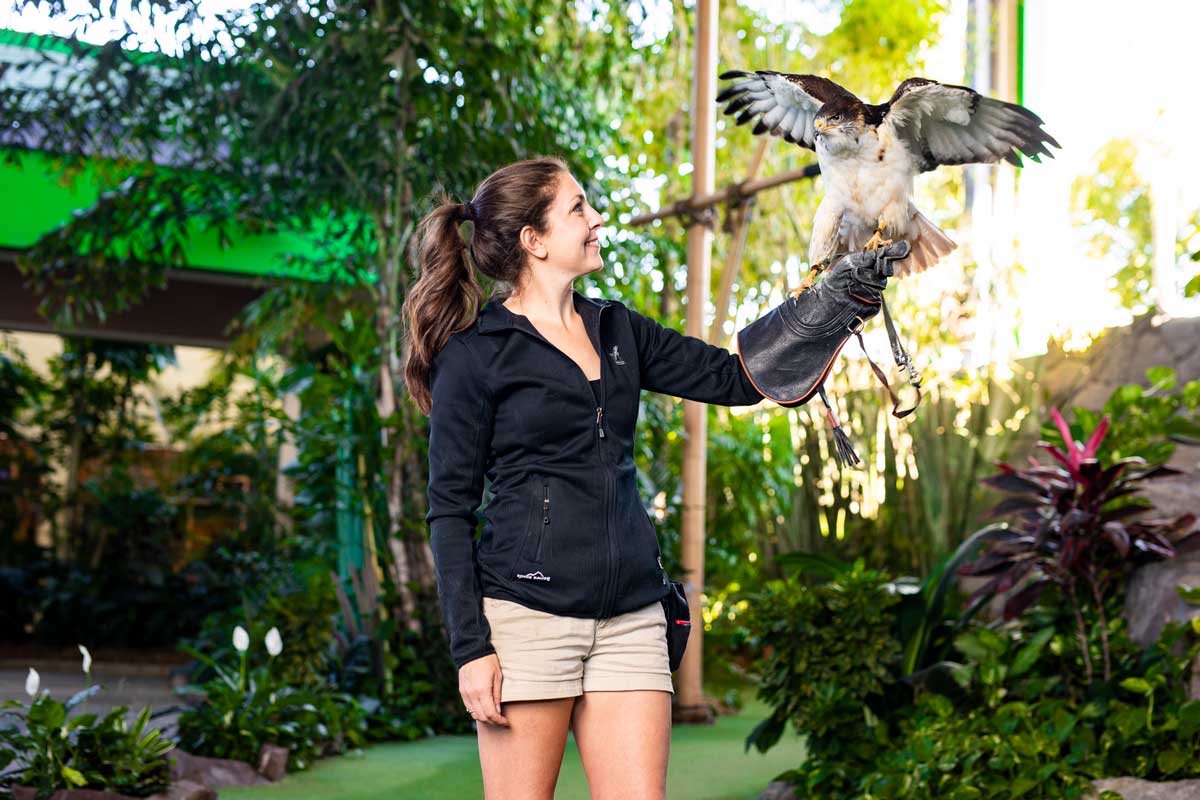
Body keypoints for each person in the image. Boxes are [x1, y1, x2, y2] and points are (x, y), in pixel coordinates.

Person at [401, 155, 768, 800]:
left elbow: (735, 377)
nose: (596, 218)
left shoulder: (617, 328)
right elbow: (449, 512)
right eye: (578, 208)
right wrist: (470, 648)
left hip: (631, 616)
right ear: (533, 240)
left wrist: (833, 303)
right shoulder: (476, 356)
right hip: (527, 618)